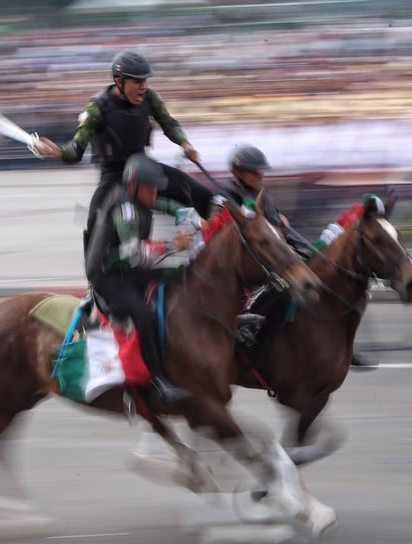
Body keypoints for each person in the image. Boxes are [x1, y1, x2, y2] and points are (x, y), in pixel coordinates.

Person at [215, 144, 377, 368]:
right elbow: (226, 226)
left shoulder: (263, 192)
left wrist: (279, 218)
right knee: (284, 286)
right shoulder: (224, 196)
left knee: (324, 274)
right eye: (254, 171)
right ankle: (252, 329)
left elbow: (272, 220)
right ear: (237, 172)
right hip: (254, 255)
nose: (260, 175)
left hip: (280, 246)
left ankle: (340, 346)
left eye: (261, 171)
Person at [34, 50, 214, 251]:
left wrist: (185, 144)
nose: (143, 87)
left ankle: (220, 233)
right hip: (114, 176)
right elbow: (75, 150)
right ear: (119, 81)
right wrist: (58, 152)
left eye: (145, 80)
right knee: (95, 220)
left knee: (191, 189)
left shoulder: (150, 97)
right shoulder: (96, 108)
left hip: (144, 167)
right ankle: (97, 278)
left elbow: (169, 124)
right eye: (137, 81)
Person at [85, 154, 194, 403]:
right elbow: (134, 252)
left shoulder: (141, 197)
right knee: (144, 314)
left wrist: (199, 219)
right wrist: (172, 245)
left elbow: (169, 206)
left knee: (178, 277)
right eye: (150, 188)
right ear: (133, 186)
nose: (154, 193)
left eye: (156, 188)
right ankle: (158, 381)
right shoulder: (124, 209)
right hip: (108, 277)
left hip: (127, 269)